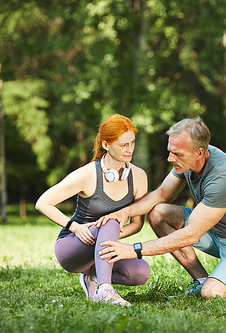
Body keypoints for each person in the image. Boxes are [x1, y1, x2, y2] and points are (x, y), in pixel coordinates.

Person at [97, 117, 226, 299]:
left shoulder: (223, 176)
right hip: (215, 232)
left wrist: (134, 249)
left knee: (214, 294)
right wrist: (125, 212)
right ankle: (201, 280)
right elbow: (161, 194)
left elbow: (192, 234)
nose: (171, 158)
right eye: (170, 151)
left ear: (199, 153)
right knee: (159, 213)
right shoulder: (187, 159)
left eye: (177, 154)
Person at [35, 114, 151, 306]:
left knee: (140, 273)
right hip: (73, 247)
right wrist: (75, 227)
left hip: (104, 248)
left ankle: (92, 279)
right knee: (111, 219)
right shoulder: (87, 174)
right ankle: (105, 290)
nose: (130, 149)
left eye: (132, 143)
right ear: (106, 145)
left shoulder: (138, 176)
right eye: (123, 145)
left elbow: (137, 224)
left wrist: (108, 235)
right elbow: (43, 203)